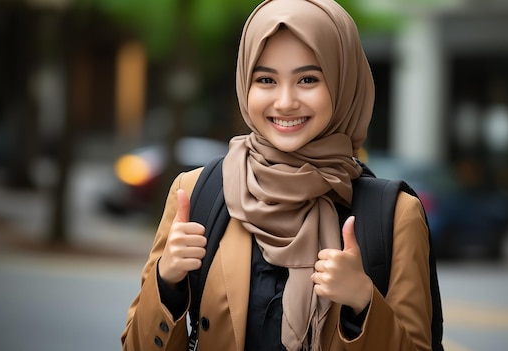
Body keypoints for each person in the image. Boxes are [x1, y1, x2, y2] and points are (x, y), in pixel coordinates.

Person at [121, 0, 433, 350]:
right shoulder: (197, 194)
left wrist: (363, 303)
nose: (285, 102)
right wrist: (167, 283)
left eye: (308, 79)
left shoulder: (394, 216)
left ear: (345, 83)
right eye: (266, 79)